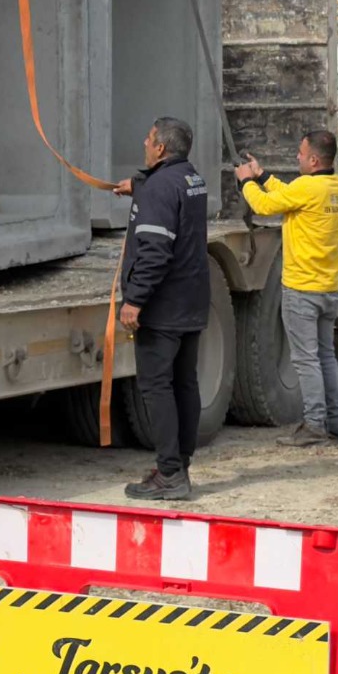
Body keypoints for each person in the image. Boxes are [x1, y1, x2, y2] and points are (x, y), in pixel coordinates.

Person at [235, 128, 338, 446]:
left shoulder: (307, 188)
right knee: (326, 356)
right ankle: (335, 423)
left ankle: (314, 425)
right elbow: (289, 195)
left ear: (313, 159)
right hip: (328, 287)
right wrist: (263, 174)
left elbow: (265, 206)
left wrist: (246, 181)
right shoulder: (336, 186)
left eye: (301, 153)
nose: (297, 156)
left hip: (302, 289)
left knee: (305, 360)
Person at [116, 115, 210, 502]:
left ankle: (169, 473)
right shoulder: (191, 179)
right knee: (184, 384)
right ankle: (179, 465)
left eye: (149, 137)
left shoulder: (160, 189)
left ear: (160, 148)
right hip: (191, 302)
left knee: (157, 388)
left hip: (163, 307)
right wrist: (140, 185)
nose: (144, 141)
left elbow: (154, 251)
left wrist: (135, 299)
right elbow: (170, 195)